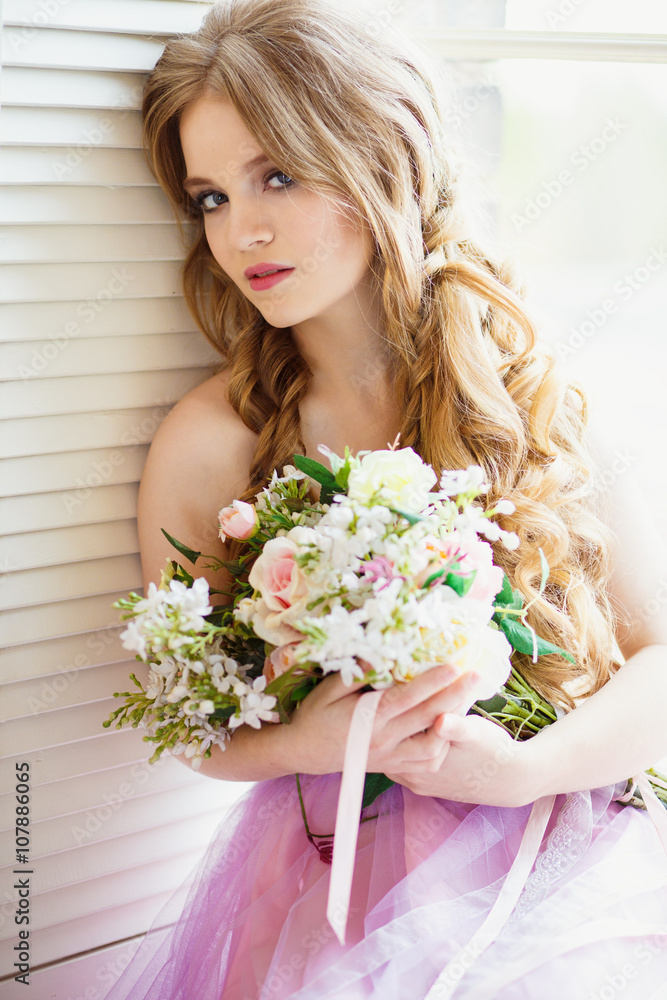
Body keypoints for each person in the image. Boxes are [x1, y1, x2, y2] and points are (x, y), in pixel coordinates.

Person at [103, 1, 667, 996]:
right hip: (338, 872)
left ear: (381, 158)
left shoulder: (534, 392)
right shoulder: (213, 441)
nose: (245, 230)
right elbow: (193, 722)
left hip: (570, 849)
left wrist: (524, 771)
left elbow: (660, 659)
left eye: (277, 173)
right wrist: (314, 739)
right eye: (211, 197)